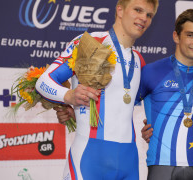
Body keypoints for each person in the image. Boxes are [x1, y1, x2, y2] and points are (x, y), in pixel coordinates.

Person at [35, 0, 159, 179]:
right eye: (138, 10)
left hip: (129, 160)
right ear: (120, 10)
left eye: (149, 15)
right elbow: (44, 81)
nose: (143, 18)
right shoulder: (91, 42)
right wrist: (69, 95)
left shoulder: (139, 60)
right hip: (89, 157)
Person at [136, 9, 193, 180]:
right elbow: (122, 107)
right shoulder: (151, 72)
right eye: (190, 35)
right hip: (161, 167)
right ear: (176, 36)